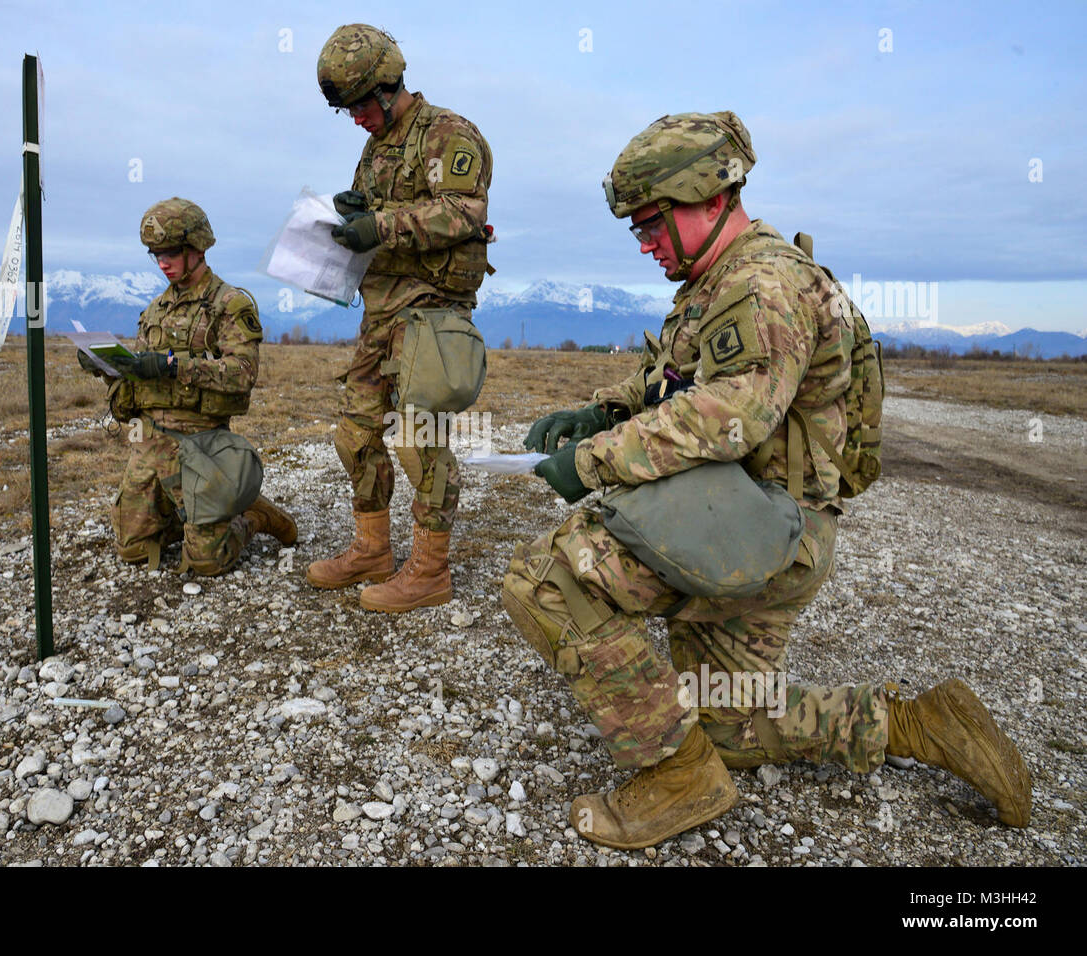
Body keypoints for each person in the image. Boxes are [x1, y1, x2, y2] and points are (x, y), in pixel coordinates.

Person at [506, 112, 1031, 850]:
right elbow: (679, 379)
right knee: (731, 723)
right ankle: (917, 724)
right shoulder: (721, 279)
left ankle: (678, 778)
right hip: (759, 527)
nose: (646, 241)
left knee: (545, 579)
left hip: (757, 533)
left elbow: (731, 415)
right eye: (637, 228)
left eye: (653, 222)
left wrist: (590, 462)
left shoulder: (760, 287)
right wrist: (599, 411)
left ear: (709, 197)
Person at [306, 23, 494, 613]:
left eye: (360, 105)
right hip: (381, 312)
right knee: (354, 434)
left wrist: (380, 224)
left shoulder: (448, 134)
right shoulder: (375, 147)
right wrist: (358, 212)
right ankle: (372, 549)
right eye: (348, 111)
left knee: (419, 442)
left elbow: (463, 211)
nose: (356, 118)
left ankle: (431, 570)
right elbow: (387, 215)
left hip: (430, 312)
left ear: (388, 86)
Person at [79, 197, 296, 575]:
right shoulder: (155, 309)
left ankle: (252, 516)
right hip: (149, 446)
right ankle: (189, 517)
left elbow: (242, 372)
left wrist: (173, 367)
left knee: (207, 562)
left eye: (170, 252)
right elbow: (142, 371)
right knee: (132, 551)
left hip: (201, 446)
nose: (162, 262)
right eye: (155, 254)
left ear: (197, 247)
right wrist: (107, 366)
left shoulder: (229, 304)